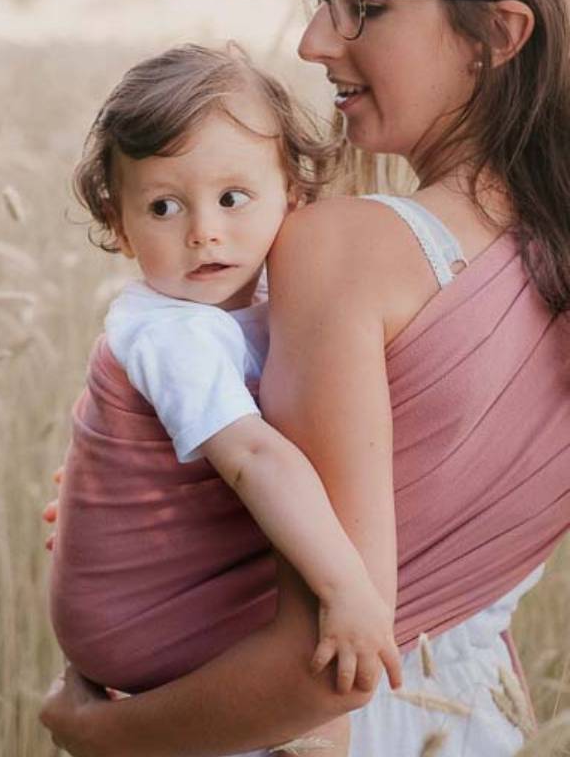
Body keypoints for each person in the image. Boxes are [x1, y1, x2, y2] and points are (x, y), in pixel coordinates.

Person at [40, 0, 570, 754]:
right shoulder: (552, 260)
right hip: (474, 723)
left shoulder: (344, 250)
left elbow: (322, 674)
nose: (316, 39)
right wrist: (156, 508)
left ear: (495, 34)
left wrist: (96, 732)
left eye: (362, 3)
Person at [49, 43, 401, 757]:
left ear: (292, 197)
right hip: (146, 625)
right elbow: (254, 458)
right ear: (121, 227)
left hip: (166, 604)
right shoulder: (171, 332)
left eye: (233, 198)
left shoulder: (277, 298)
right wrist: (348, 590)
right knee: (309, 695)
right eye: (164, 206)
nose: (204, 230)